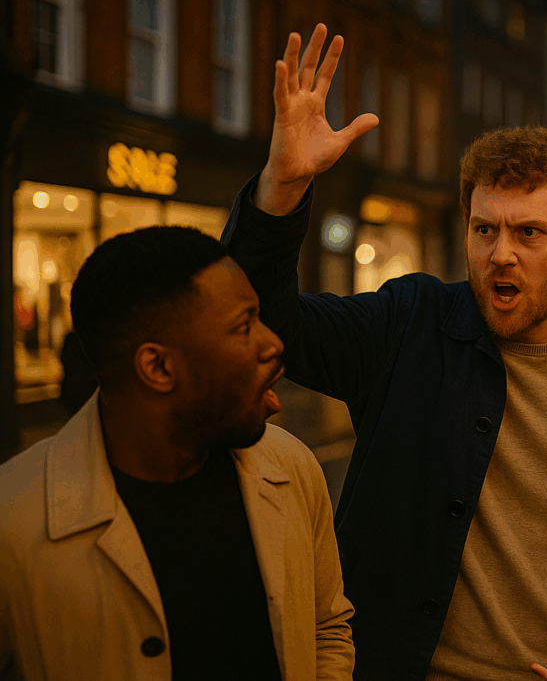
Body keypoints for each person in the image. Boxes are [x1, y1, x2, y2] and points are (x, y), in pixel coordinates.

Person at [221, 24, 547, 681]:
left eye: (529, 232)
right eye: (485, 229)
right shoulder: (408, 323)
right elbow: (265, 323)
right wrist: (280, 189)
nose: (500, 253)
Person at [0, 227, 355, 681]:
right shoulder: (15, 522)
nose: (273, 343)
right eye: (244, 325)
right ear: (158, 367)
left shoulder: (290, 465)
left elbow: (326, 628)